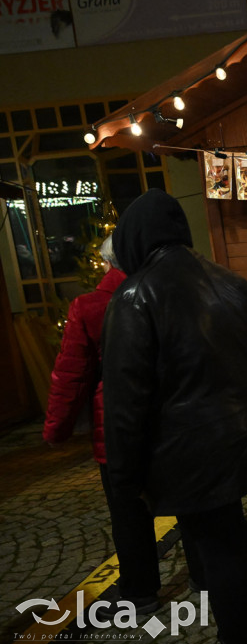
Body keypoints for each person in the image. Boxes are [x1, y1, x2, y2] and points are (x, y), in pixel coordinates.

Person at [102, 188, 247, 644]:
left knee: (217, 546)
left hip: (187, 448)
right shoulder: (231, 282)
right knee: (226, 526)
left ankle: (235, 643)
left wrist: (123, 474)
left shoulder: (134, 296)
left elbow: (126, 401)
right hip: (241, 433)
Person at [43, 236, 162, 617]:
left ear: (107, 262)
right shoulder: (159, 292)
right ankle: (206, 576)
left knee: (128, 513)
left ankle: (140, 592)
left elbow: (71, 375)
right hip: (166, 420)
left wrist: (55, 430)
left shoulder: (90, 306)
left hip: (113, 428)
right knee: (183, 498)